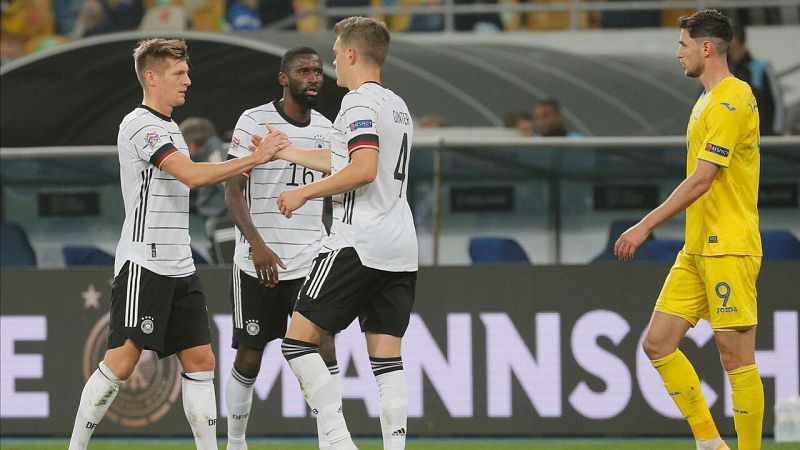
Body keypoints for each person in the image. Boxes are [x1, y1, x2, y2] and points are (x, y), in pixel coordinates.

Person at [67, 38, 288, 450]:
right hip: (144, 262)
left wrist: (254, 161)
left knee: (202, 361)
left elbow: (194, 173)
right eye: (179, 74)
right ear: (152, 77)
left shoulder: (170, 127)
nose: (189, 80)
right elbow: (192, 176)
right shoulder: (140, 124)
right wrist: (256, 160)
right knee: (121, 362)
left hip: (180, 264)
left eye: (187, 72)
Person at [252, 16, 417, 450]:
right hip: (400, 245)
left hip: (357, 241)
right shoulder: (397, 105)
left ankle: (339, 441)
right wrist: (288, 150)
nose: (330, 62)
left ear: (351, 53)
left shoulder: (357, 104)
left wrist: (304, 192)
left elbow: (361, 170)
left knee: (297, 344)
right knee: (387, 361)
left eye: (335, 51)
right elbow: (348, 158)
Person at [615, 10, 763, 450]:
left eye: (682, 44)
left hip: (730, 246)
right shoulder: (707, 99)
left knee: (736, 358)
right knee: (658, 344)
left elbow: (703, 179)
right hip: (697, 248)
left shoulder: (732, 99)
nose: (677, 53)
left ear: (707, 47)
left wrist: (643, 226)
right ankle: (711, 444)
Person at [223, 46, 338, 450]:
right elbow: (233, 188)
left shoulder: (327, 128)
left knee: (322, 348)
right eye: (303, 71)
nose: (313, 78)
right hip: (259, 262)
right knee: (249, 357)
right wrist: (256, 245)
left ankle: (332, 440)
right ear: (283, 78)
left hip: (310, 259)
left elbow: (337, 186)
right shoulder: (254, 121)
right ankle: (235, 442)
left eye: (318, 71)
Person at [180, 117, 228, 260]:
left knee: (225, 271)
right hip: (220, 222)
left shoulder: (215, 156)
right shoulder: (211, 154)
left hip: (226, 223)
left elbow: (230, 191)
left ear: (193, 144)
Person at [728, 23, 785, 136]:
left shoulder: (761, 67)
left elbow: (778, 103)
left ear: (739, 42)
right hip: (732, 139)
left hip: (763, 138)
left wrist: (774, 134)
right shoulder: (721, 70)